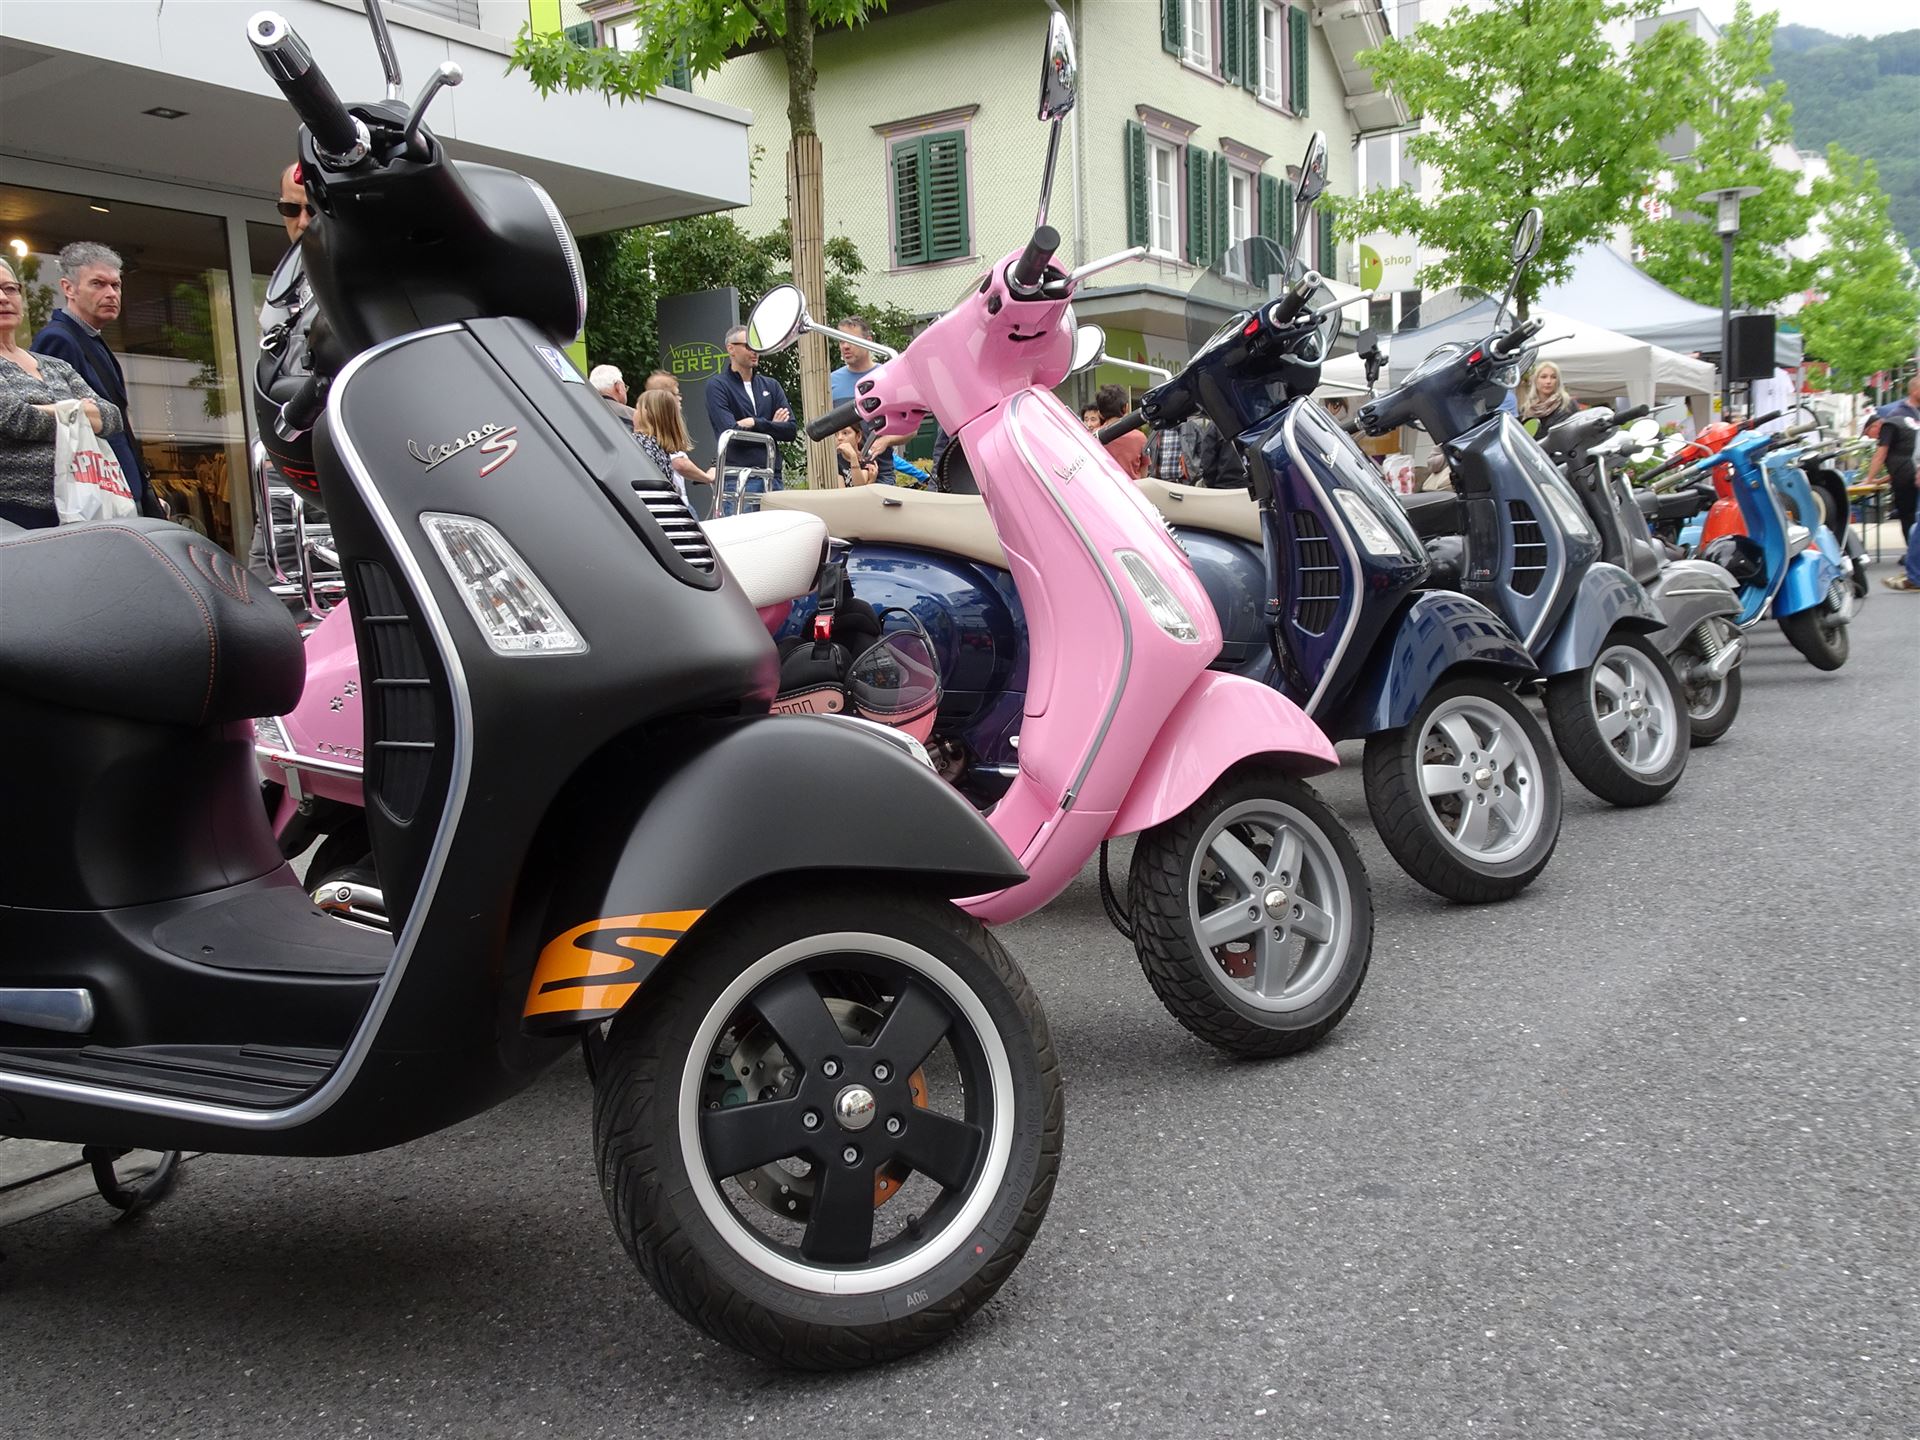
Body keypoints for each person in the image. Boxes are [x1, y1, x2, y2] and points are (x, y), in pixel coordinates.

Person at [0, 257, 125, 529]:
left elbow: (111, 417)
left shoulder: (56, 365)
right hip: (17, 518)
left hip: (84, 508)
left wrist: (52, 412)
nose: (3, 298)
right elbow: (18, 419)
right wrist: (79, 410)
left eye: (10, 289)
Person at [30, 241, 154, 516]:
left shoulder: (89, 337)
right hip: (97, 495)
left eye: (115, 285)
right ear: (68, 288)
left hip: (117, 488)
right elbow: (63, 427)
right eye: (98, 284)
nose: (111, 293)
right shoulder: (58, 339)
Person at [705, 323, 797, 488]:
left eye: (757, 346)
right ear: (731, 349)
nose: (755, 351)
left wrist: (755, 422)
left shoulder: (771, 385)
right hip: (738, 478)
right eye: (748, 346)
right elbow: (731, 433)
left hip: (772, 476)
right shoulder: (718, 386)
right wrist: (772, 427)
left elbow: (790, 430)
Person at [828, 315, 910, 485]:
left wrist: (886, 440)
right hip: (842, 479)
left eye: (851, 340)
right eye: (841, 341)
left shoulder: (888, 376)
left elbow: (911, 429)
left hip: (881, 475)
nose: (845, 346)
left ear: (869, 342)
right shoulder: (830, 382)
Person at [1863, 374, 1919, 542]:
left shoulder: (1892, 421)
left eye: (1869, 433)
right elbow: (1891, 456)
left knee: (1908, 516)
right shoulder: (1902, 419)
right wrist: (1875, 480)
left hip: (1906, 477)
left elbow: (1882, 455)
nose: (1871, 437)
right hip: (1908, 475)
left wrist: (1870, 480)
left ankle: (1913, 552)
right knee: (1910, 515)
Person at [632, 388, 712, 504]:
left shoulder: (637, 443)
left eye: (637, 409)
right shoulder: (662, 448)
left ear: (646, 414)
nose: (634, 413)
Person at [1096, 383, 1147, 479]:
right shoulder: (1140, 438)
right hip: (1132, 487)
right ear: (1126, 407)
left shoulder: (1092, 438)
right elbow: (1144, 475)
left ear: (1099, 413)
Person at [1517, 360, 1576, 430]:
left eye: (1553, 377)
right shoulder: (1526, 409)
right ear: (1535, 380)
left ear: (1558, 381)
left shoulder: (1567, 405)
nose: (1548, 381)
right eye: (1543, 377)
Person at [1192, 415, 1246, 489]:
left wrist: (1210, 483)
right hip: (1252, 484)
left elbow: (1208, 459)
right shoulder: (1253, 420)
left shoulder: (1216, 424)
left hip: (1224, 483)